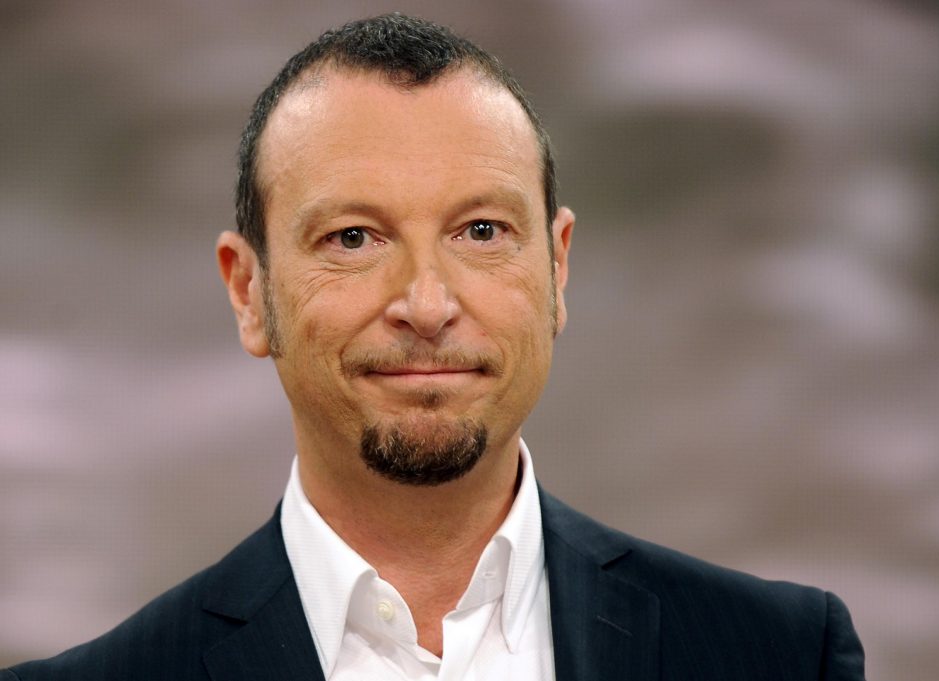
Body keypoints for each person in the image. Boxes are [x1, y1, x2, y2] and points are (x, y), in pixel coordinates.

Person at [3, 13, 865, 681]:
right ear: (248, 291)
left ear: (557, 266)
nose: (426, 303)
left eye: (481, 230)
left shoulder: (783, 656)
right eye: (352, 237)